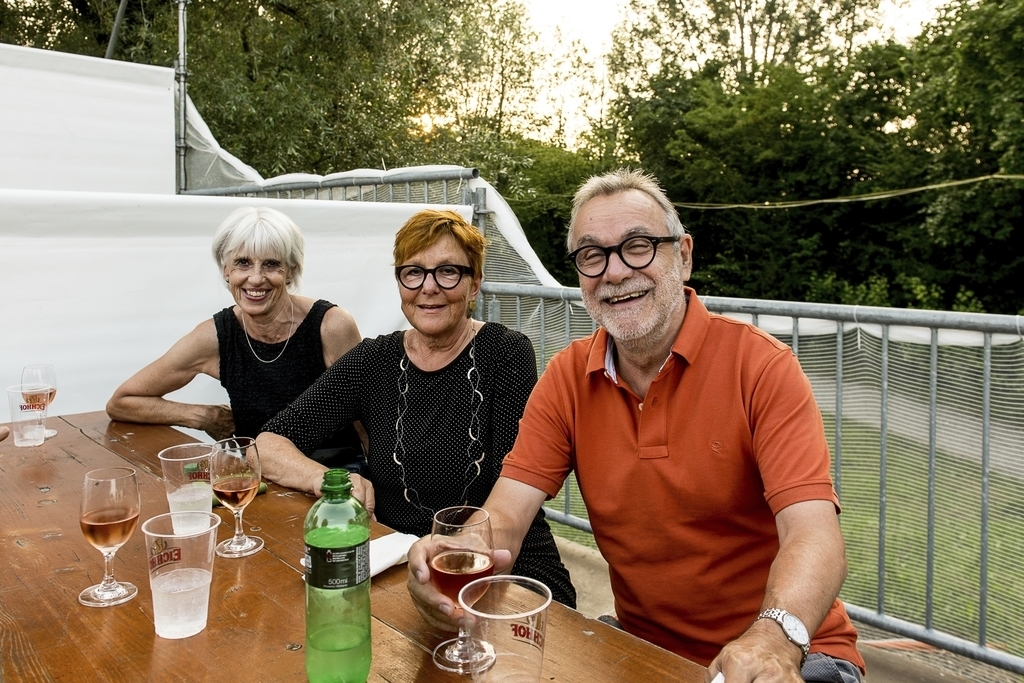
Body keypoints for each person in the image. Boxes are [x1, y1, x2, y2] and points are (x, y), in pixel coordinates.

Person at [407, 170, 864, 683]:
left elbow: (815, 535)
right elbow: (505, 514)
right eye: (592, 255)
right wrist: (458, 553)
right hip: (641, 648)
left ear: (683, 255)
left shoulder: (761, 367)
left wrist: (773, 639)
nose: (615, 272)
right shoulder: (567, 376)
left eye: (638, 246)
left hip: (794, 652)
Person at [256, 209, 576, 607]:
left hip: (503, 560)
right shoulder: (373, 360)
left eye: (448, 272)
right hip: (397, 563)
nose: (429, 288)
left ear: (474, 285)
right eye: (414, 272)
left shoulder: (504, 353)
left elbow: (509, 491)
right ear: (399, 282)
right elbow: (267, 445)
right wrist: (326, 480)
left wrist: (455, 557)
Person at [107, 206, 365, 469]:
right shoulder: (215, 336)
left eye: (271, 264)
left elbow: (369, 416)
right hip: (261, 475)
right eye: (243, 262)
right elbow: (122, 402)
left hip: (337, 476)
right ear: (225, 269)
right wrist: (203, 416)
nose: (255, 278)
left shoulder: (331, 326)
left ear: (291, 270)